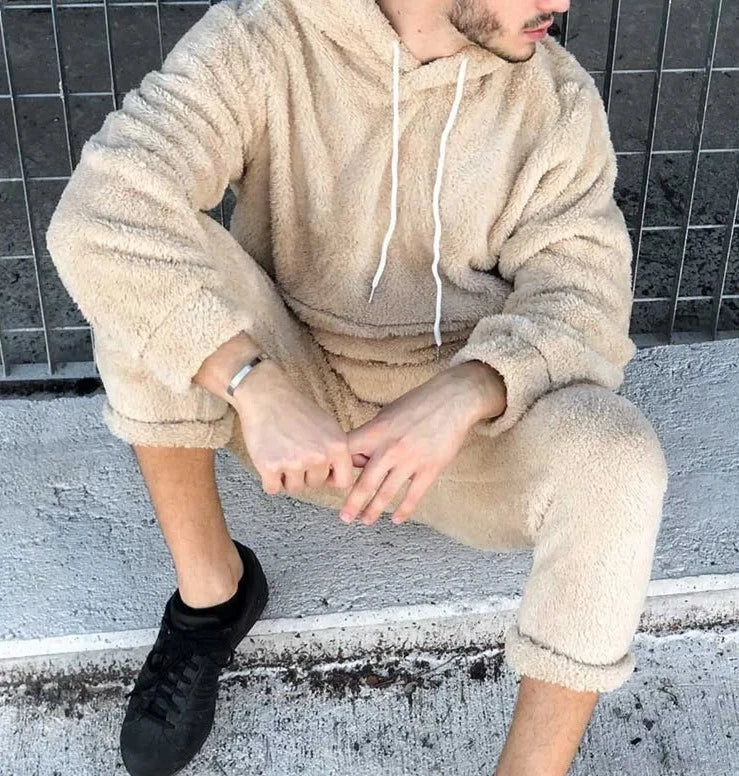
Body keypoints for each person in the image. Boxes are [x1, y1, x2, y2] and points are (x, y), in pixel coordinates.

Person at [46, 0, 669, 774]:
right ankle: (212, 598)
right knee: (139, 260)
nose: (563, 3)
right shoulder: (268, 35)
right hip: (294, 416)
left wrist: (471, 387)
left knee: (617, 461)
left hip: (462, 447)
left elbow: (585, 299)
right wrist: (253, 383)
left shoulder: (553, 101)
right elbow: (99, 212)